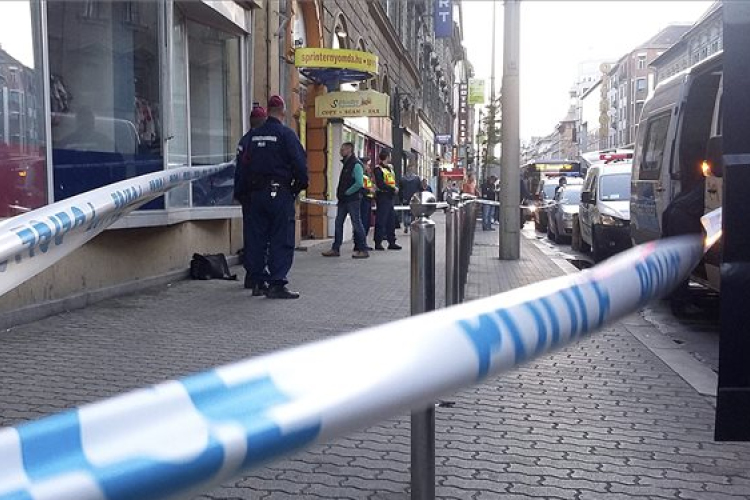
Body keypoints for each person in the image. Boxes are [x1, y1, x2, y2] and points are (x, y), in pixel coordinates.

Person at [235, 95, 308, 299]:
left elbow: (241, 167)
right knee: (281, 237)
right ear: (283, 112)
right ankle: (276, 283)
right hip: (279, 193)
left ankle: (258, 281)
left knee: (256, 239)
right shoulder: (286, 135)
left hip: (255, 195)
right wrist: (296, 188)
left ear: (268, 111)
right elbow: (300, 165)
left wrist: (242, 194)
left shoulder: (251, 137)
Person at [235, 105, 269, 288]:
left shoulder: (245, 140)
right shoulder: (260, 141)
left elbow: (240, 170)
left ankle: (251, 275)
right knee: (263, 236)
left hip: (247, 195)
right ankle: (259, 275)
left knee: (251, 236)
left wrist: (239, 193)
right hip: (261, 194)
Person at [322, 143, 369, 259]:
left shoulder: (356, 164)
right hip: (343, 200)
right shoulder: (347, 164)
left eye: (343, 149)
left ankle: (363, 249)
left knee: (356, 223)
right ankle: (335, 248)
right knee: (338, 223)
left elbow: (359, 183)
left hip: (352, 200)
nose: (341, 151)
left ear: (349, 150)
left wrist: (347, 192)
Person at [373, 149, 401, 251]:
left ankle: (391, 242)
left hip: (390, 197)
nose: (391, 157)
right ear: (387, 157)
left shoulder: (389, 169)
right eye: (390, 156)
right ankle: (378, 242)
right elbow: (380, 184)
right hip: (382, 196)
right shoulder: (378, 169)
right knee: (381, 220)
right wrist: (393, 189)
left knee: (391, 220)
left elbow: (391, 181)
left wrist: (394, 189)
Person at [399, 167, 422, 234]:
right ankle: (411, 226)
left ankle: (406, 225)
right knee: (413, 213)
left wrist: (401, 198)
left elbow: (400, 190)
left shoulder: (402, 179)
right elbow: (420, 189)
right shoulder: (417, 178)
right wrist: (419, 197)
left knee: (406, 212)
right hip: (414, 198)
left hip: (405, 198)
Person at [361, 158, 376, 249]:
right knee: (363, 222)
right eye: (367, 165)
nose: (368, 167)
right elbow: (360, 187)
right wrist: (369, 190)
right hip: (363, 200)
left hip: (368, 199)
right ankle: (361, 244)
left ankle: (362, 243)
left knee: (366, 222)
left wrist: (373, 189)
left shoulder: (367, 175)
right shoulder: (361, 174)